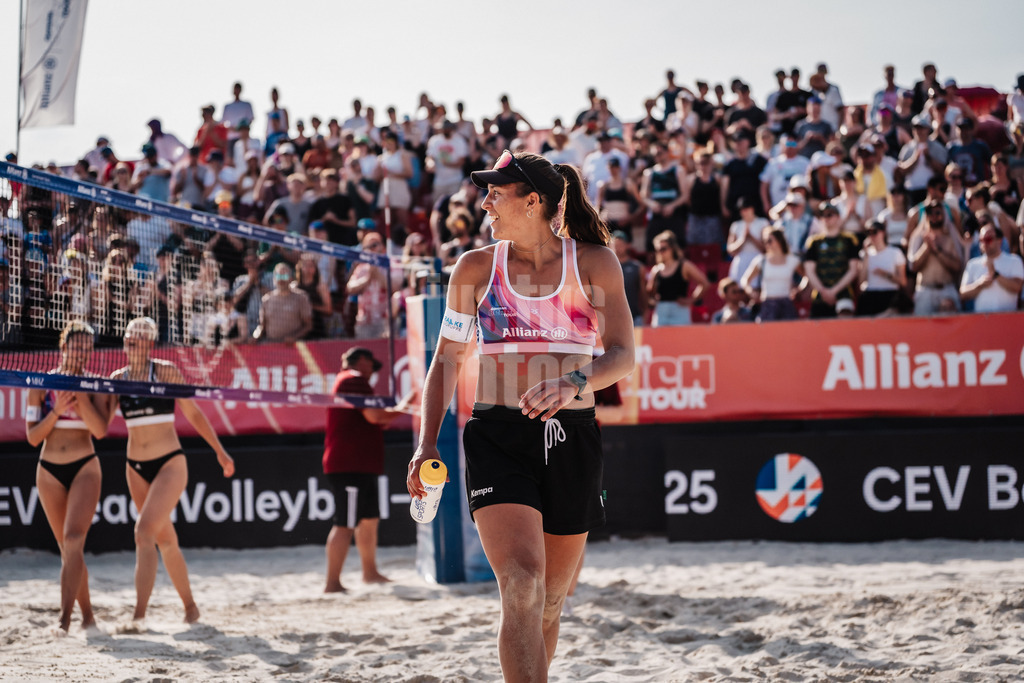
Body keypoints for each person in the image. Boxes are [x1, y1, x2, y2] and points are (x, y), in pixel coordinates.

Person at [407, 149, 634, 682]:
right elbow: (446, 361)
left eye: (496, 192)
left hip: (572, 437)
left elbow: (623, 355)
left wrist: (574, 381)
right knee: (522, 584)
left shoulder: (594, 262)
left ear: (533, 202)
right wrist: (425, 444)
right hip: (498, 436)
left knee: (550, 602)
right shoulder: (476, 267)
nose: (483, 202)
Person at [110, 317, 234, 625]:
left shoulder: (165, 371)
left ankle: (137, 617)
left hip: (169, 463)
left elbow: (193, 413)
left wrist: (219, 451)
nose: (131, 342)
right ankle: (190, 606)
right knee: (165, 540)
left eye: (137, 338)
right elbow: (98, 422)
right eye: (128, 337)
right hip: (135, 467)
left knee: (142, 532)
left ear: (149, 344)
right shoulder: (117, 378)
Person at [25, 321, 111, 633]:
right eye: (77, 346)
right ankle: (88, 616)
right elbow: (33, 437)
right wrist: (57, 409)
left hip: (85, 466)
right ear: (64, 347)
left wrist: (80, 396)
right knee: (68, 548)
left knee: (74, 540)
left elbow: (100, 430)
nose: (83, 353)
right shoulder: (42, 382)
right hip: (48, 470)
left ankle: (64, 620)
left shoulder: (96, 384)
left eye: (88, 348)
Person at [323, 347, 411, 592]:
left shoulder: (350, 381)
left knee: (369, 520)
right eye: (372, 365)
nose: (372, 371)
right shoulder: (353, 379)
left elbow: (370, 420)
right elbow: (374, 416)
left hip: (361, 464)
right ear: (362, 361)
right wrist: (406, 405)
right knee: (345, 523)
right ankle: (332, 583)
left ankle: (370, 573)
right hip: (350, 465)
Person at [803, 202, 861, 318]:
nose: (826, 218)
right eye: (823, 215)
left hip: (844, 294)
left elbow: (853, 269)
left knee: (846, 329)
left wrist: (834, 291)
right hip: (820, 296)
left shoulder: (849, 239)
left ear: (838, 217)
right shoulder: (813, 242)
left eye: (829, 215)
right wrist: (823, 291)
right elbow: (809, 271)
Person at [908, 199, 964, 315]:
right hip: (925, 290)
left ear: (943, 214)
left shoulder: (951, 236)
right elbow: (913, 266)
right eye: (930, 213)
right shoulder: (918, 237)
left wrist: (938, 250)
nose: (934, 216)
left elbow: (957, 266)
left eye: (937, 213)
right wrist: (927, 248)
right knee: (923, 330)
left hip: (947, 290)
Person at [647, 230, 709, 326]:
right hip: (661, 310)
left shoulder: (684, 265)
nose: (661, 252)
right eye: (658, 250)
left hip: (680, 309)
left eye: (664, 249)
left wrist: (691, 300)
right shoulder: (656, 270)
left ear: (672, 248)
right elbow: (650, 293)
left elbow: (705, 283)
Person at [741, 228, 802, 321]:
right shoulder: (761, 261)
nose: (767, 244)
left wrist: (799, 289)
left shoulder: (792, 260)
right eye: (765, 241)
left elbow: (807, 276)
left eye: (770, 240)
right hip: (768, 304)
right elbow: (745, 280)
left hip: (786, 304)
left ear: (779, 240)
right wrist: (751, 291)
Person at [959, 225, 1023, 313]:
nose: (984, 243)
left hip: (1008, 321)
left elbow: (1018, 287)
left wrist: (996, 275)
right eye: (981, 240)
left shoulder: (1014, 261)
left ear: (999, 240)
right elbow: (963, 293)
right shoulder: (972, 264)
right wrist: (980, 284)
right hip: (982, 321)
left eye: (988, 239)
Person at [858, 220, 908, 316]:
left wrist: (885, 274)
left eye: (874, 232)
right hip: (871, 296)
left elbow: (903, 281)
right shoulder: (865, 254)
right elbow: (861, 281)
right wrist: (866, 256)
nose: (872, 236)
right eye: (868, 233)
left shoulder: (895, 252)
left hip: (890, 296)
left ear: (883, 233)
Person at [254, 263, 313, 343]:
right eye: (278, 276)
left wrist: (294, 337)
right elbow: (261, 326)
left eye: (284, 276)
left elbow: (308, 325)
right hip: (271, 346)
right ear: (274, 279)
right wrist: (255, 336)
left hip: (293, 347)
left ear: (291, 278)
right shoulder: (267, 299)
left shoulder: (301, 298)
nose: (281, 280)